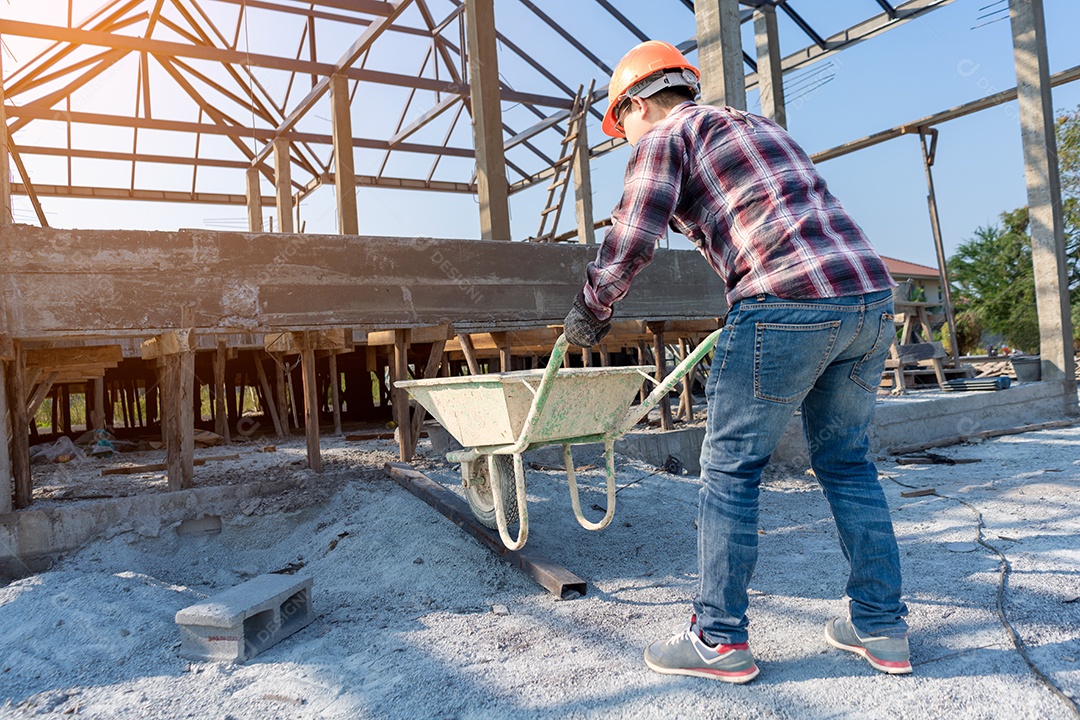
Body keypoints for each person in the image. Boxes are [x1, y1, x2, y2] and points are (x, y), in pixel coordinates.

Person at [562, 40, 910, 683]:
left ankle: (718, 639)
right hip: (869, 301)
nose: (625, 138)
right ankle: (881, 626)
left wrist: (593, 303)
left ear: (637, 103)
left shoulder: (665, 136)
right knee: (847, 463)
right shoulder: (757, 126)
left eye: (620, 123)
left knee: (730, 469)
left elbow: (634, 233)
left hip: (783, 303)